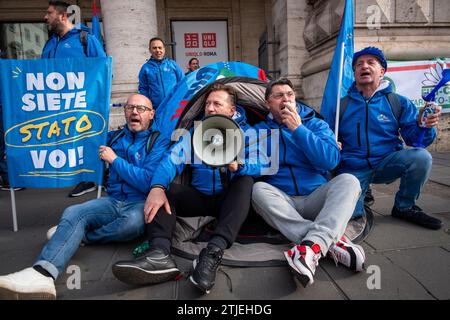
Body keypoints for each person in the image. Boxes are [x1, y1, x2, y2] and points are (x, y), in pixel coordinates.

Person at [0, 94, 169, 300]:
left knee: (132, 224)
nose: (134, 112)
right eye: (130, 107)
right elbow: (71, 139)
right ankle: (43, 273)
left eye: (141, 109)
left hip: (139, 202)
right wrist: (23, 150)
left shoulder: (159, 141)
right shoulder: (113, 137)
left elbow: (147, 181)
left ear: (151, 114)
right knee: (73, 212)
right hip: (112, 200)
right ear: (124, 111)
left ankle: (81, 236)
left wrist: (114, 159)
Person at [112, 83, 261, 294]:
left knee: (245, 181)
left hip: (231, 202)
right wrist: (156, 187)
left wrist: (240, 165)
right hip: (200, 198)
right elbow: (171, 159)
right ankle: (159, 254)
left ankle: (211, 254)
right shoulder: (195, 132)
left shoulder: (248, 132)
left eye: (217, 104)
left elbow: (262, 163)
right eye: (207, 103)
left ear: (232, 110)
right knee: (166, 191)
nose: (209, 108)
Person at [251, 78, 365, 288]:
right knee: (257, 190)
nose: (286, 99)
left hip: (315, 197)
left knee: (349, 181)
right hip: (282, 201)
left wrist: (299, 130)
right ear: (268, 103)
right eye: (278, 95)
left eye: (290, 95)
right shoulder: (258, 131)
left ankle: (310, 245)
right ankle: (327, 242)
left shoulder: (315, 123)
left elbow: (330, 160)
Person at [327, 47, 442, 230]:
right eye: (359, 64)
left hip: (386, 162)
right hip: (353, 169)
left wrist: (424, 126)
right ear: (354, 72)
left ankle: (404, 206)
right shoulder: (341, 106)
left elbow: (415, 141)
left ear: (382, 71)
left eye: (371, 62)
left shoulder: (397, 102)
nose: (364, 66)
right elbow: (327, 140)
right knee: (350, 218)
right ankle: (362, 194)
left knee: (421, 157)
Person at [42, 1, 107, 197]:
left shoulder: (85, 38)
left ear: (63, 16)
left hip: (83, 104)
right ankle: (75, 175)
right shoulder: (50, 43)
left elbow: (103, 71)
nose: (45, 17)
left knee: (85, 139)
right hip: (57, 105)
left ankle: (91, 179)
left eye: (49, 13)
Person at [138, 37, 184, 110]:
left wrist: (180, 100)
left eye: (160, 47)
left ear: (164, 49)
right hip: (156, 108)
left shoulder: (173, 65)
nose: (158, 50)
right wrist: (148, 105)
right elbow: (143, 89)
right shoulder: (145, 68)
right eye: (154, 48)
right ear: (150, 50)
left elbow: (183, 83)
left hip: (175, 106)